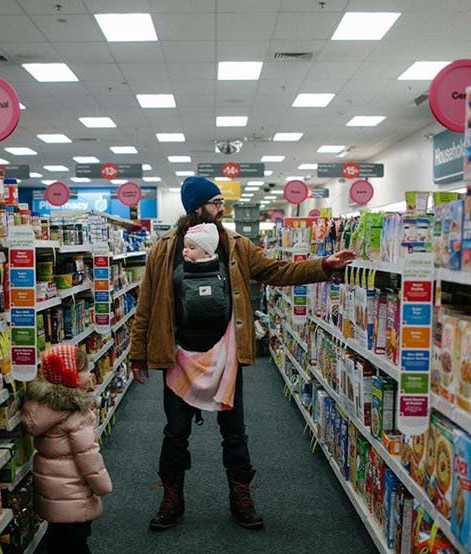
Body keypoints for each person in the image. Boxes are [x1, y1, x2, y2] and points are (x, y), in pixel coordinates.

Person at [130, 176, 356, 531]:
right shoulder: (164, 249)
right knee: (175, 432)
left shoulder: (235, 245)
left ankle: (241, 497)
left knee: (234, 431)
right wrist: (137, 353)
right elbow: (146, 304)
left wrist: (323, 267)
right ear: (196, 207)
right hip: (178, 355)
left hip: (225, 354)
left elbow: (275, 271)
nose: (222, 209)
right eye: (216, 202)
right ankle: (172, 497)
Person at [24, 344, 113, 554]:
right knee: (77, 533)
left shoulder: (42, 406)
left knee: (58, 527)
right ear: (70, 375)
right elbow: (88, 456)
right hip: (71, 485)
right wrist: (102, 484)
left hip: (51, 482)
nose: (90, 372)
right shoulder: (75, 413)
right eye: (85, 370)